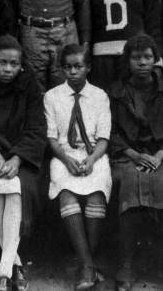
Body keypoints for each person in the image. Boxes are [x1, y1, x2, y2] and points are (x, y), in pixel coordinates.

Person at [0, 35, 47, 291]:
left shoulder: (30, 89)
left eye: (14, 64)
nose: (7, 69)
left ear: (21, 65)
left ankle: (3, 273)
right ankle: (14, 265)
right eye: (2, 62)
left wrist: (17, 157)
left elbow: (37, 129)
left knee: (14, 184)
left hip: (22, 158)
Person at [108, 34, 163, 291]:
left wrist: (160, 155)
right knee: (129, 183)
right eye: (136, 57)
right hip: (128, 155)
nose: (142, 63)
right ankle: (126, 263)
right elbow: (111, 131)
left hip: (161, 154)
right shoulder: (117, 92)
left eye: (148, 57)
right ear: (128, 61)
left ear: (156, 60)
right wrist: (133, 155)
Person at [44, 44, 111, 290]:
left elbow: (103, 138)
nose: (73, 72)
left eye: (78, 66)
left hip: (94, 154)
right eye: (68, 67)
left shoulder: (100, 95)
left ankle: (86, 264)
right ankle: (88, 265)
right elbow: (52, 138)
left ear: (88, 67)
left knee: (96, 195)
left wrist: (92, 160)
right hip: (65, 155)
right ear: (62, 69)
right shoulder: (51, 96)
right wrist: (66, 159)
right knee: (67, 194)